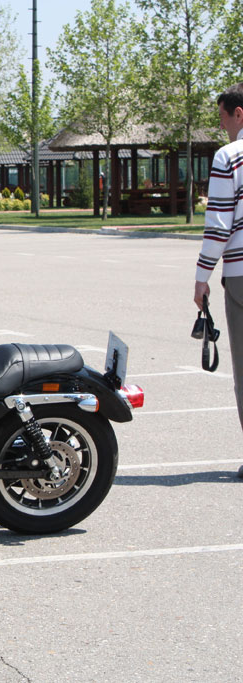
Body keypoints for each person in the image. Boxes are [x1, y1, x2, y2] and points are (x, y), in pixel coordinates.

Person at [194, 82, 243, 479]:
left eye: (223, 117)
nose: (222, 126)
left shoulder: (230, 156)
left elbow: (220, 224)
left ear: (238, 114)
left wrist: (201, 277)